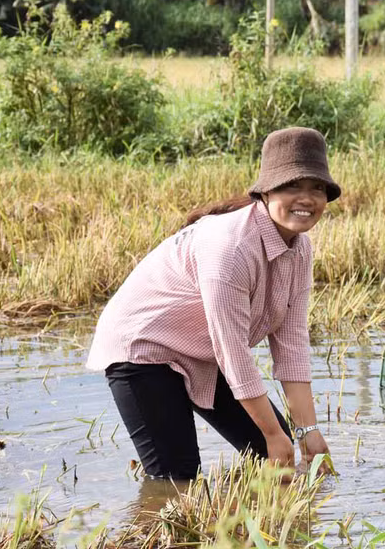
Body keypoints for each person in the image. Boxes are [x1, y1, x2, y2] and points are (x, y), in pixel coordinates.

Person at [87, 127, 338, 480]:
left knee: (276, 450)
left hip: (200, 352)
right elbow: (233, 351)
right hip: (143, 349)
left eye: (317, 188)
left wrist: (307, 432)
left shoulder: (300, 249)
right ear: (266, 192)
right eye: (292, 186)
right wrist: (272, 434)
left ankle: (256, 515)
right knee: (178, 479)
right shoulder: (231, 247)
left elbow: (292, 345)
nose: (306, 198)